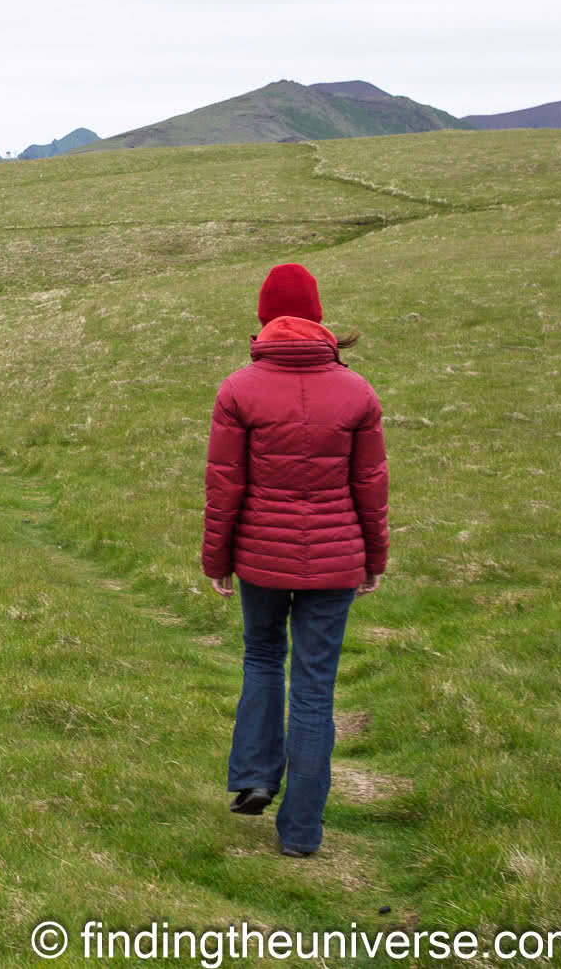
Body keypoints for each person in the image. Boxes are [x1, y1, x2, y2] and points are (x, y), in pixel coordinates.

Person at [202, 262, 389, 857]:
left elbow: (224, 484)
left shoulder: (238, 389)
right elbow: (371, 485)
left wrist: (217, 559)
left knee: (261, 657)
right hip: (336, 562)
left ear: (264, 318)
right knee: (314, 691)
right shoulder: (357, 392)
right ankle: (302, 834)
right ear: (318, 315)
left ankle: (254, 779)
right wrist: (374, 558)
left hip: (260, 557)